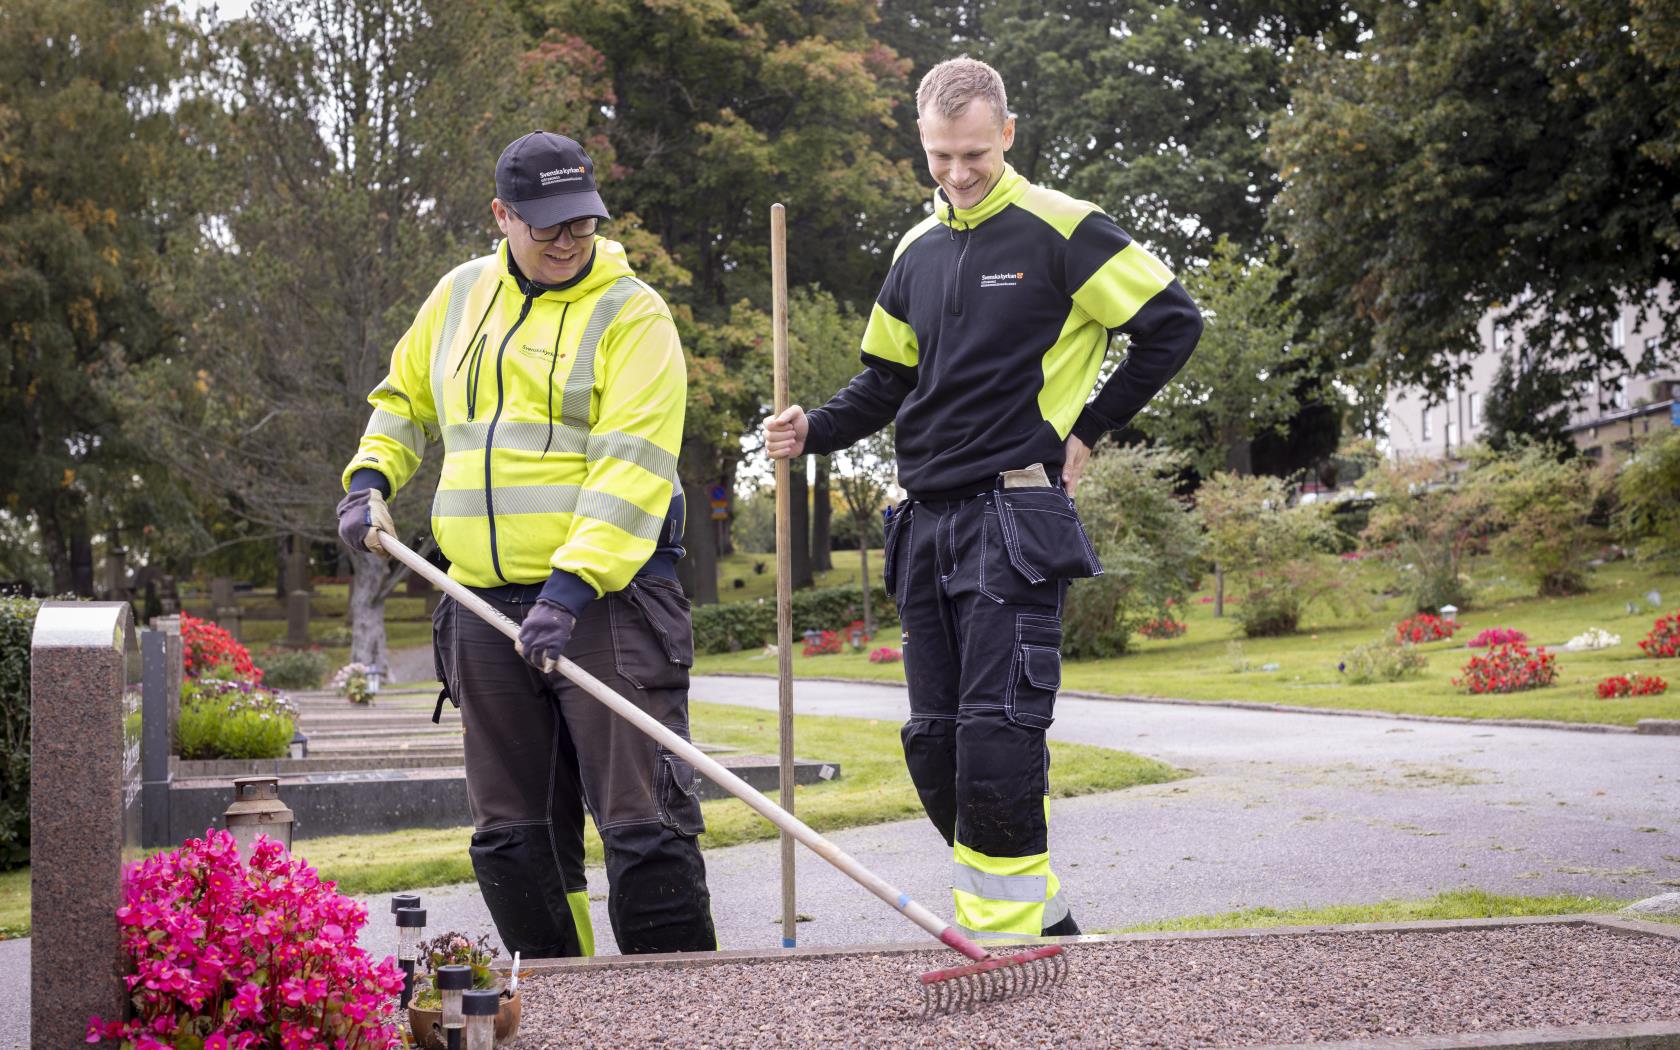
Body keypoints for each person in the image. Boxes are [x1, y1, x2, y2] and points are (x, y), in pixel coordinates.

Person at [765, 57, 1202, 941]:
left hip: (1013, 519)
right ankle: (1044, 923)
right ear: (921, 145)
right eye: (939, 158)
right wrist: (812, 430)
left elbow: (1173, 323)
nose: (958, 175)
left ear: (1007, 134)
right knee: (936, 747)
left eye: (973, 154)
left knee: (999, 739)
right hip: (922, 524)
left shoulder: (1064, 229)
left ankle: (1001, 946)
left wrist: (1088, 428)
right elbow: (884, 383)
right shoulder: (913, 250)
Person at [337, 131, 715, 958]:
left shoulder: (632, 313)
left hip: (607, 604)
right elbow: (403, 399)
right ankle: (562, 1000)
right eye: (546, 226)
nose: (567, 241)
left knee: (641, 822)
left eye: (581, 223)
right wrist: (368, 479)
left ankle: (685, 1006)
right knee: (513, 835)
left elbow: (633, 467)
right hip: (479, 603)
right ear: (502, 216)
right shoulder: (458, 296)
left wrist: (569, 589)